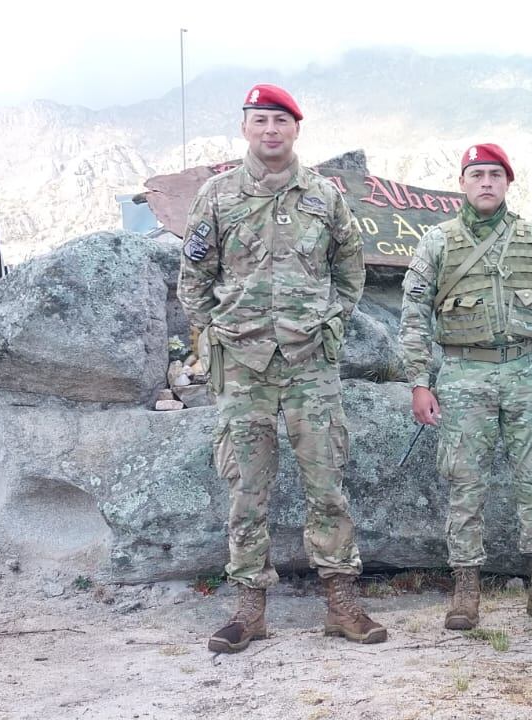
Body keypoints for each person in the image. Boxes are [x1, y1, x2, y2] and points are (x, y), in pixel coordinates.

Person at [178, 83, 386, 653]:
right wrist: (217, 332)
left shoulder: (323, 196)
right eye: (260, 119)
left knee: (327, 485)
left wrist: (331, 324)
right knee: (246, 488)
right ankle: (249, 609)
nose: (271, 130)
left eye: (281, 121)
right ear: (245, 127)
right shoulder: (217, 196)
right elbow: (192, 279)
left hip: (309, 363)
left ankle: (342, 604)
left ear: (297, 129)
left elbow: (350, 270)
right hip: (243, 366)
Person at [397, 143, 532, 630]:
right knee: (464, 483)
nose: (486, 182)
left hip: (526, 371)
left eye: (495, 175)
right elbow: (414, 317)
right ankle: (466, 588)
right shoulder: (437, 242)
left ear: (508, 183)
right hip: (463, 375)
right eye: (477, 174)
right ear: (462, 182)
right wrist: (420, 382)